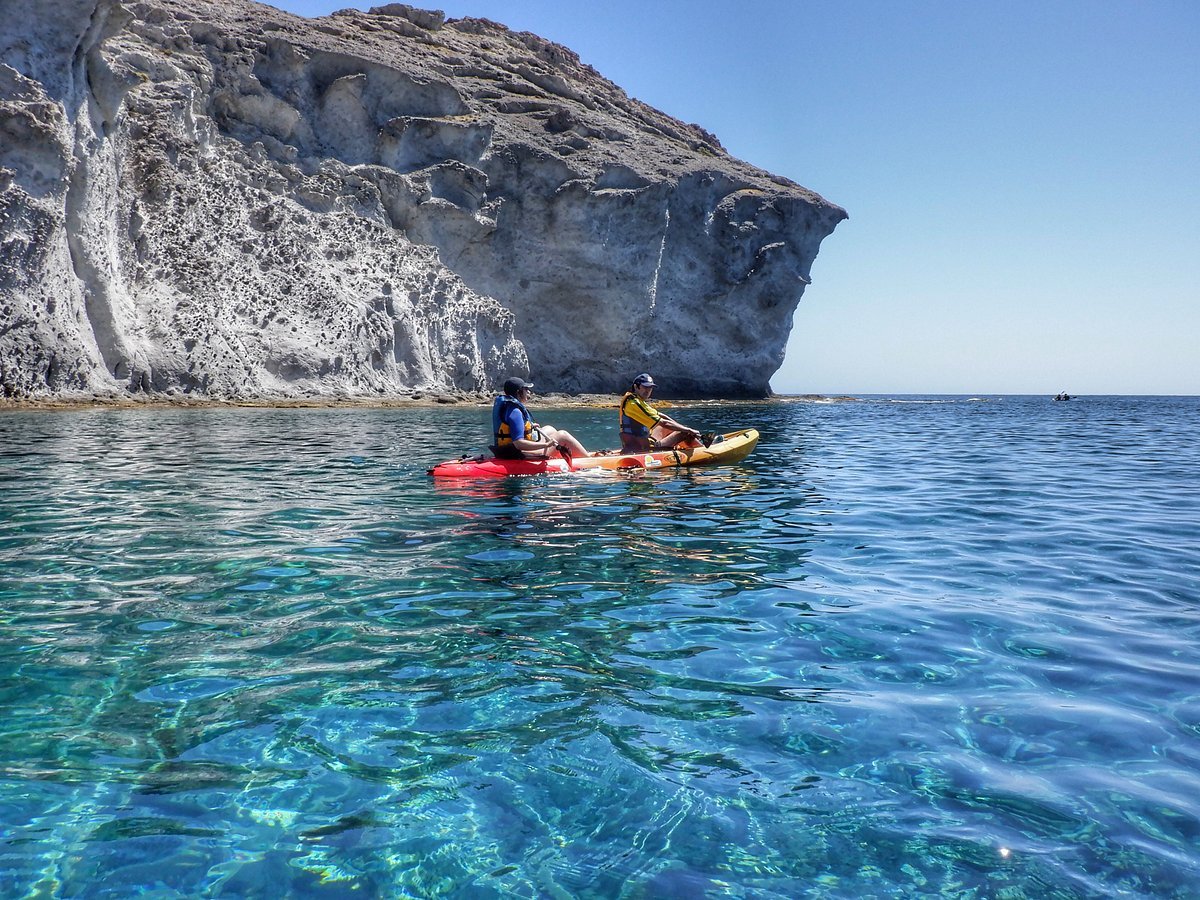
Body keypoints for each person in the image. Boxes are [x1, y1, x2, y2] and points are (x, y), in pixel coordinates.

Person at [491, 377, 589, 460]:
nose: (528, 392)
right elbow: (518, 443)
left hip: (507, 451)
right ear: (518, 392)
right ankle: (587, 458)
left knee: (550, 429)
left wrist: (528, 427)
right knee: (562, 435)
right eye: (525, 389)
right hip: (518, 454)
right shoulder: (515, 412)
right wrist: (546, 445)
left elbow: (510, 428)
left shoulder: (508, 407)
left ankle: (565, 453)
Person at [618, 373, 703, 453]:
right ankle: (701, 451)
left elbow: (661, 416)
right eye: (645, 387)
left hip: (635, 443)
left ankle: (692, 444)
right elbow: (664, 422)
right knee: (684, 433)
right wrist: (688, 430)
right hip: (643, 447)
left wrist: (681, 426)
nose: (648, 391)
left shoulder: (636, 400)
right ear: (636, 387)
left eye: (650, 388)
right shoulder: (634, 403)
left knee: (669, 428)